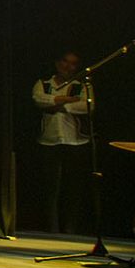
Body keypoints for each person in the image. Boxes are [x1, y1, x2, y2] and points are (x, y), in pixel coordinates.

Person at [32, 51, 94, 234]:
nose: (68, 67)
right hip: (49, 141)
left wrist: (60, 105)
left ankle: (70, 229)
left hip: (76, 142)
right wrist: (66, 99)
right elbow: (38, 99)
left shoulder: (81, 86)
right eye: (65, 62)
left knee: (73, 189)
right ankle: (52, 228)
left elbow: (87, 106)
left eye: (73, 64)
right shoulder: (44, 84)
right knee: (51, 188)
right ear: (58, 63)